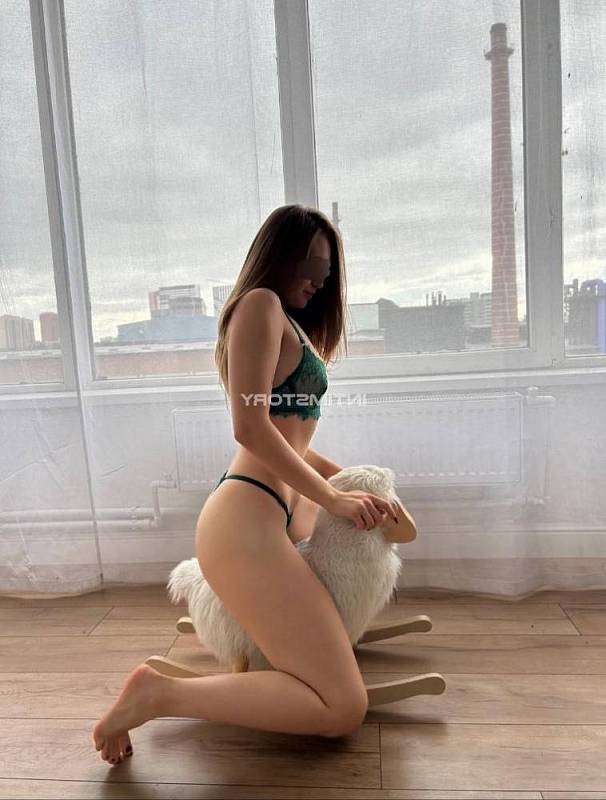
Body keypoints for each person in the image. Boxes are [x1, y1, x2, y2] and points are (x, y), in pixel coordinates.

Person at [92, 204, 400, 764]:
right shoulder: (260, 305)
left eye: (327, 271)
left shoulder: (289, 323)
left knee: (332, 687)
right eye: (312, 264)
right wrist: (332, 497)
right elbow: (250, 427)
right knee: (342, 708)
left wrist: (347, 482)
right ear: (280, 254)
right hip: (244, 521)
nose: (319, 280)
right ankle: (157, 694)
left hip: (271, 515)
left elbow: (292, 439)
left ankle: (267, 669)